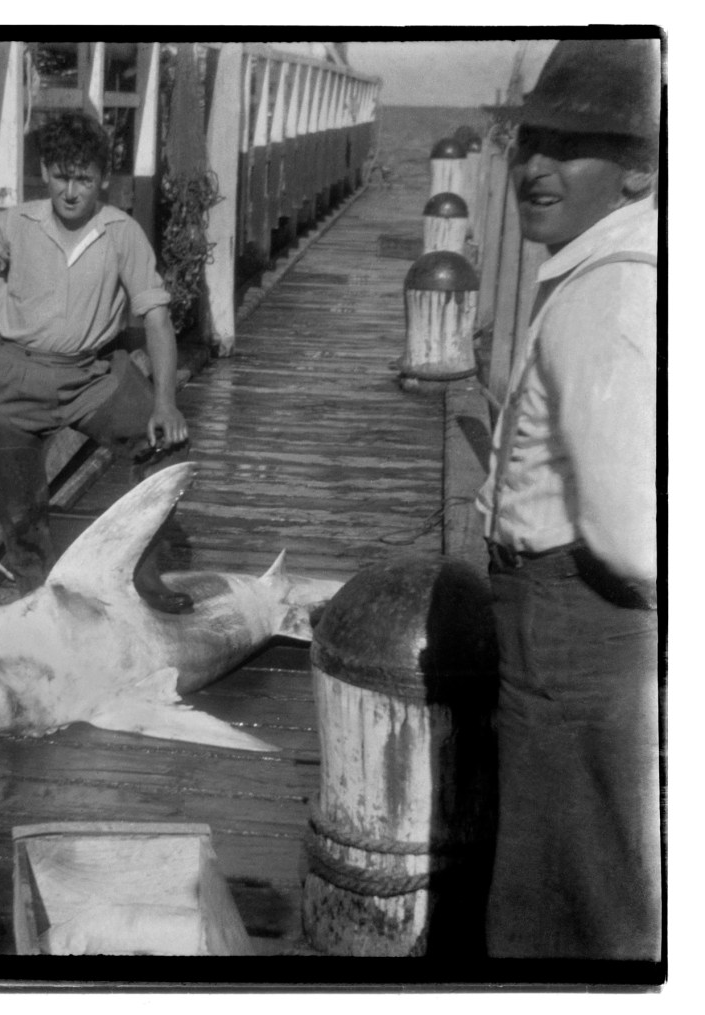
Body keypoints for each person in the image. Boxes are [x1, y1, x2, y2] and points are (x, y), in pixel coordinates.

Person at [475, 38, 661, 960]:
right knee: (567, 862)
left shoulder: (609, 297)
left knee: (573, 889)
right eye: (529, 141)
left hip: (574, 614)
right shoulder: (605, 269)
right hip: (561, 612)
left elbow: (631, 532)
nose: (535, 166)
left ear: (639, 172)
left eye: (570, 147)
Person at [0, 111, 193, 613]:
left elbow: (158, 319)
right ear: (45, 172)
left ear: (103, 178)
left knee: (164, 443)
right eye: (60, 175)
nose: (71, 191)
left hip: (90, 376)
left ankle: (144, 574)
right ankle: (36, 600)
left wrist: (165, 402)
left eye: (84, 178)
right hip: (14, 377)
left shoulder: (122, 232)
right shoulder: (14, 224)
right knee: (20, 511)